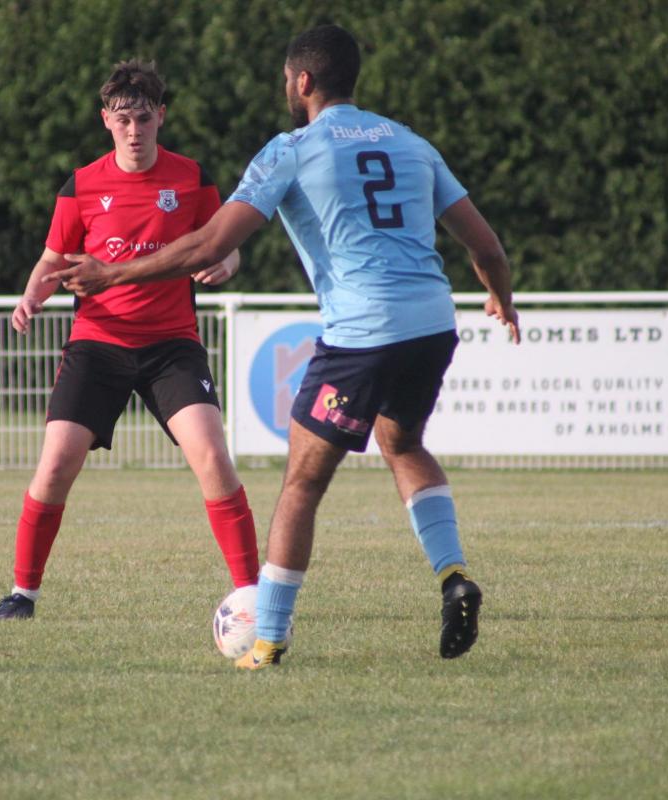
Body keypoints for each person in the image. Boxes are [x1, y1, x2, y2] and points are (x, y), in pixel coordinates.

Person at [45, 25, 521, 667]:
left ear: (302, 81)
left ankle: (267, 641)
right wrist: (501, 298)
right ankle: (454, 574)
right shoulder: (411, 142)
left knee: (301, 483)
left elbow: (208, 244)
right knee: (404, 444)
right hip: (433, 323)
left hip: (363, 332)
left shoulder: (291, 149)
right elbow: (486, 247)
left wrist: (111, 274)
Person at [0, 60, 260, 621]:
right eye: (122, 120)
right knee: (56, 464)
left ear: (161, 117)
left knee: (212, 456)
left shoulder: (192, 179)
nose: (134, 131)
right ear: (105, 121)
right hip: (97, 344)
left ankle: (254, 595)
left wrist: (227, 263)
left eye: (143, 118)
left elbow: (223, 243)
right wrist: (31, 295)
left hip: (171, 347)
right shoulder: (82, 185)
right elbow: (53, 259)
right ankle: (22, 595)